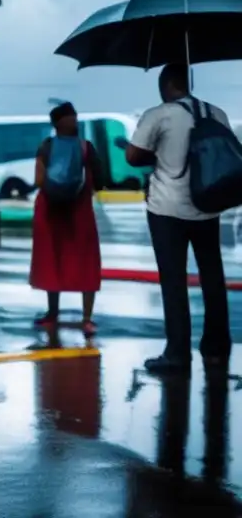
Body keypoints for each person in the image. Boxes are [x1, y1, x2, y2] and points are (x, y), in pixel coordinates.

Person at [124, 62, 232, 375]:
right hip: (207, 204)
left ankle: (177, 354)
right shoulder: (216, 113)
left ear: (168, 84)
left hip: (167, 210)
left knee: (174, 282)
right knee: (213, 278)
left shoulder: (159, 114)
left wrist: (156, 151)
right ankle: (216, 349)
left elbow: (132, 156)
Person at [29, 101, 103, 335]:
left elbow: (39, 179)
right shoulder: (86, 147)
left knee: (53, 259)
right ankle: (86, 319)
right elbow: (99, 180)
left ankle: (53, 314)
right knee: (85, 261)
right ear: (60, 121)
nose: (75, 120)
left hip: (51, 210)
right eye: (71, 116)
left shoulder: (46, 146)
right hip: (79, 212)